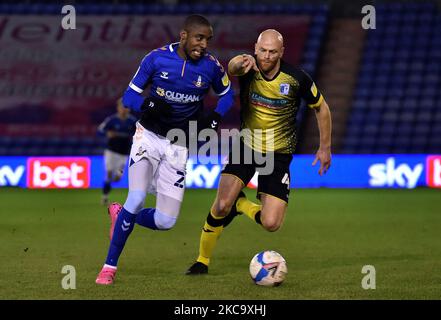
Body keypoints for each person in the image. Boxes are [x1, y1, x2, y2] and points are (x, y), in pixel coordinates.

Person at [95, 15, 235, 285]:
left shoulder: (211, 67)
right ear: (183, 36)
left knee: (165, 221)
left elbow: (227, 95)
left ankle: (122, 214)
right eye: (199, 38)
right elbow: (129, 96)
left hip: (178, 145)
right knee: (136, 197)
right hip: (147, 136)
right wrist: (145, 106)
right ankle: (108, 268)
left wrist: (216, 117)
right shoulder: (156, 59)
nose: (204, 44)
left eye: (207, 39)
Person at [185, 29, 332, 275]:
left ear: (281, 52)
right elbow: (231, 68)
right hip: (246, 146)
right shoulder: (248, 69)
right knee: (221, 205)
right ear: (256, 48)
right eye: (262, 50)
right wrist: (240, 60)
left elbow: (322, 108)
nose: (266, 56)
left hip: (279, 154)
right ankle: (202, 260)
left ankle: (241, 205)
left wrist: (325, 147)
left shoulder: (296, 78)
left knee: (271, 223)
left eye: (272, 51)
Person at [97, 98, 137, 206]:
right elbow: (100, 130)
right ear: (118, 108)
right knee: (109, 173)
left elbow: (140, 134)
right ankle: (105, 196)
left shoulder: (132, 122)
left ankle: (109, 183)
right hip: (111, 152)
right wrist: (107, 133)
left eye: (126, 107)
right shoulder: (112, 120)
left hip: (124, 154)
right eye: (122, 107)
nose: (124, 109)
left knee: (118, 177)